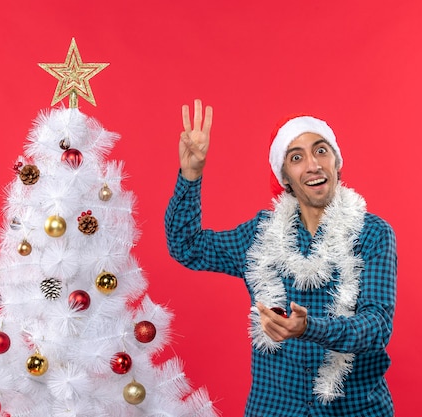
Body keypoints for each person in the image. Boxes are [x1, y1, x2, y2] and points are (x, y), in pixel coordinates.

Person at [165, 99, 397, 417]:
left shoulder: (372, 234)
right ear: (284, 176)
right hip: (275, 408)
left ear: (337, 162)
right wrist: (191, 176)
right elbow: (187, 246)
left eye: (321, 150)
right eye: (296, 157)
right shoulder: (260, 234)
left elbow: (377, 326)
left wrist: (309, 328)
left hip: (354, 409)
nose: (313, 165)